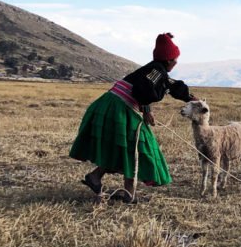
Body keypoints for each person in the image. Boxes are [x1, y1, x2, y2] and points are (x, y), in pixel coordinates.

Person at [69, 32, 196, 203]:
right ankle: (127, 193)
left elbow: (166, 85)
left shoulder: (154, 70)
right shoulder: (157, 71)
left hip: (112, 103)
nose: (176, 63)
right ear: (168, 60)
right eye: (175, 60)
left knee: (125, 147)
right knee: (135, 146)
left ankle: (98, 178)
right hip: (119, 107)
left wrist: (187, 97)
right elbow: (143, 90)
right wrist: (146, 108)